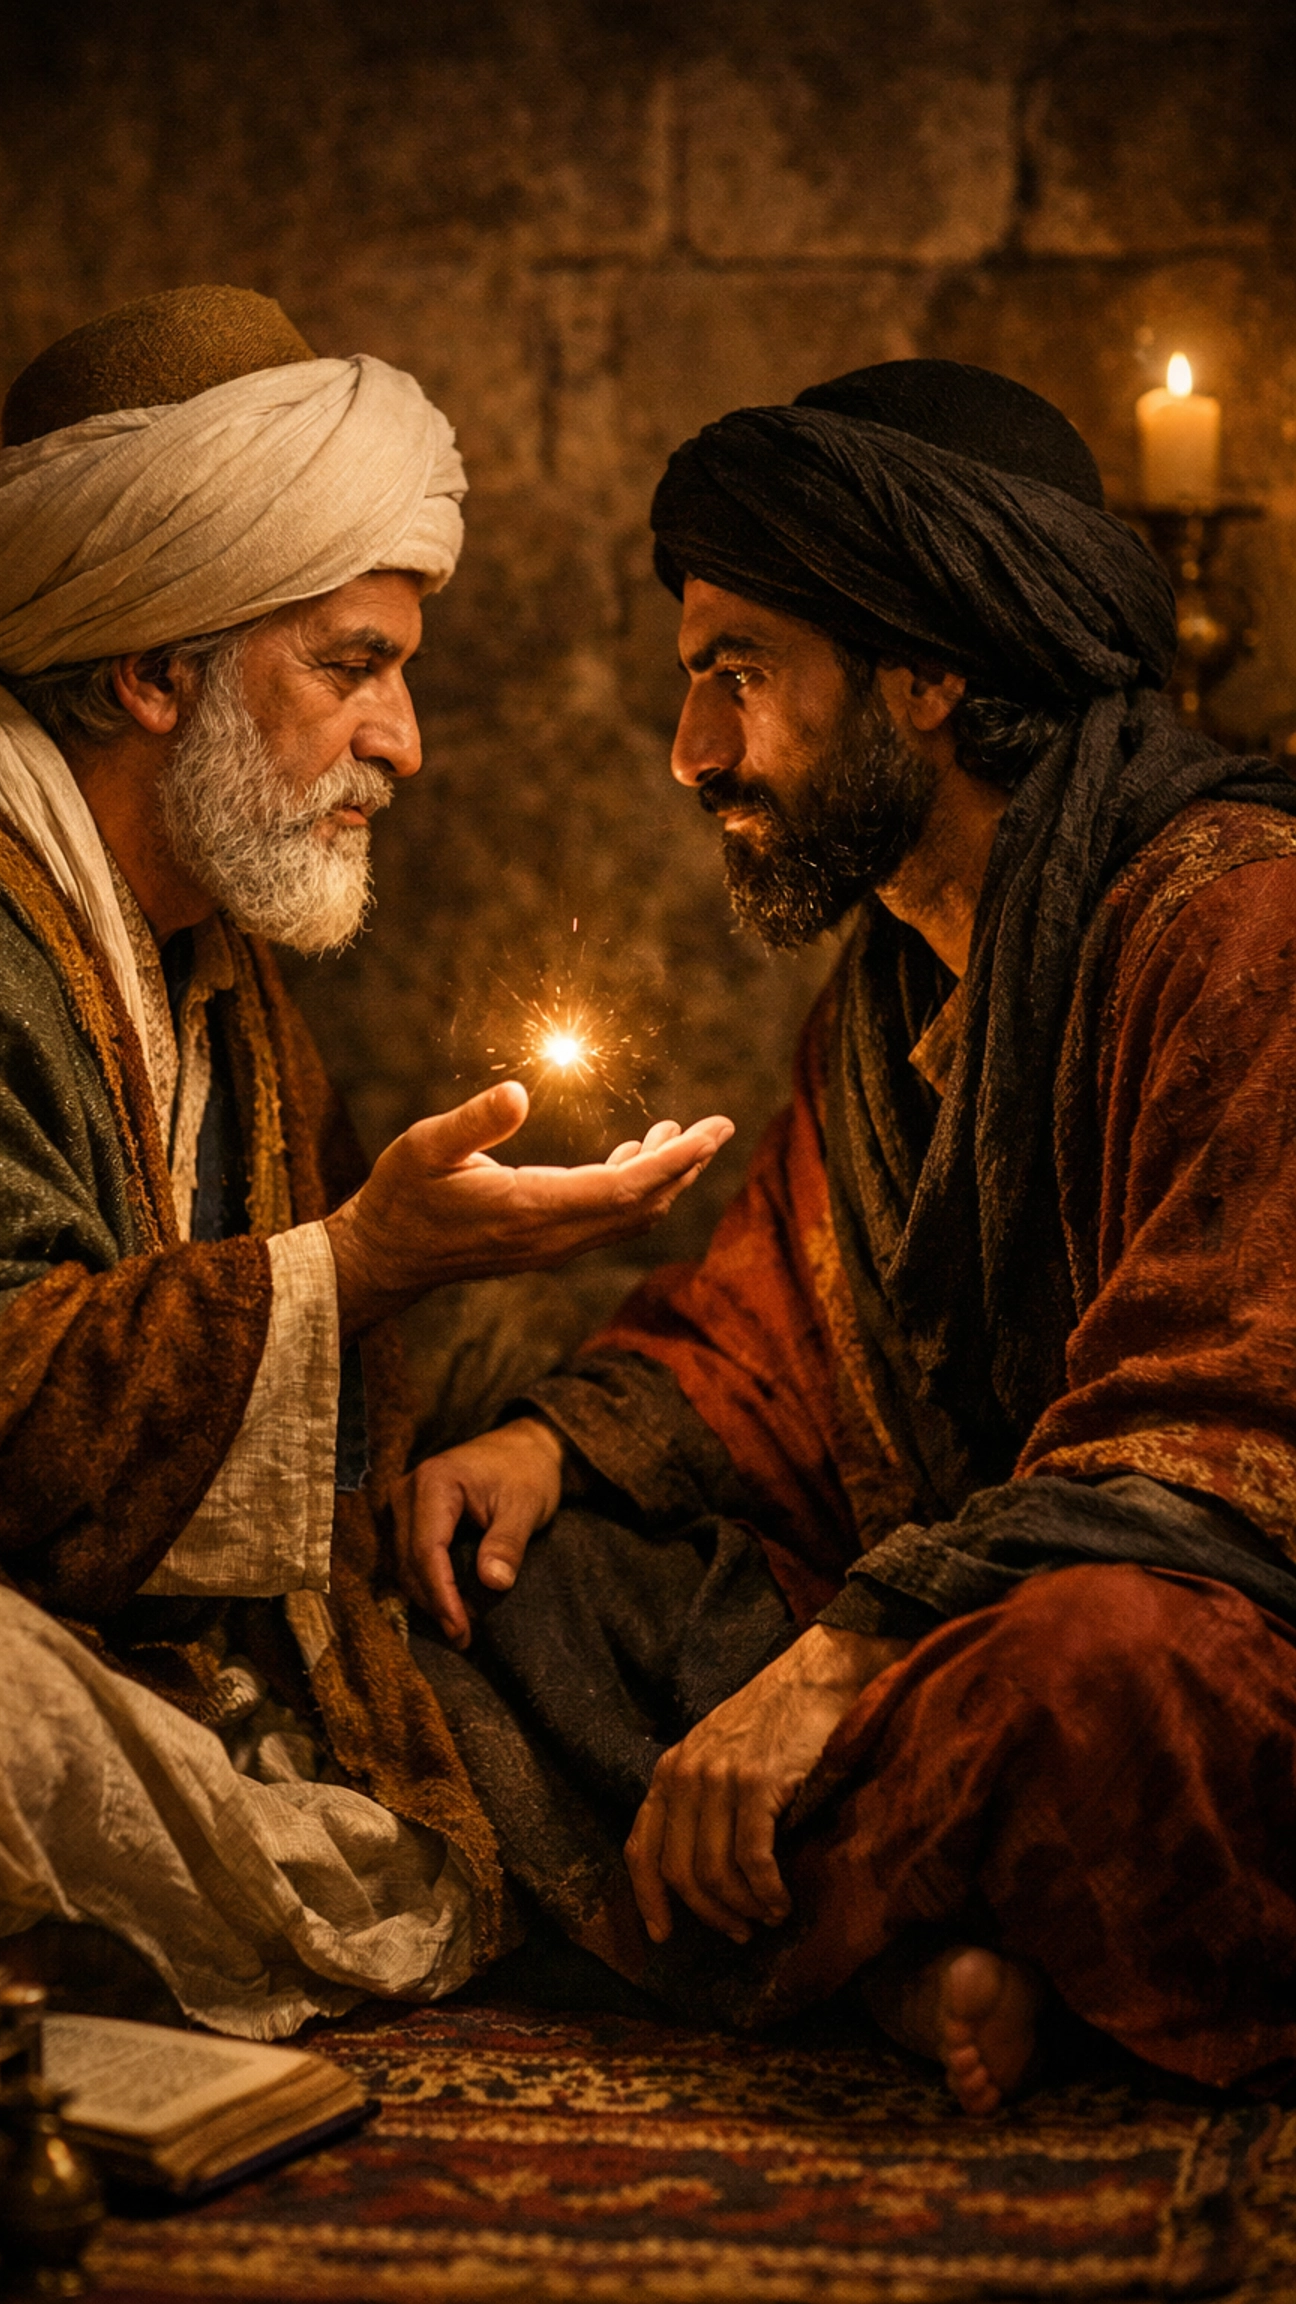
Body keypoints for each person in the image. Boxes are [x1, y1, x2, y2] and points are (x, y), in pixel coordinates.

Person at [0, 285, 731, 2038]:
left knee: (619, 1451)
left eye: (398, 672)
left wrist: (535, 1394)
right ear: (151, 673)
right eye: (351, 668)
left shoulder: (205, 934)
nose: (403, 741)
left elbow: (336, 1365)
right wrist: (356, 1267)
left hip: (180, 1626)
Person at [397, 358, 1296, 2113]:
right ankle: (901, 1942)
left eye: (738, 675)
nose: (693, 754)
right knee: (516, 1569)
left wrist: (845, 1658)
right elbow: (771, 1350)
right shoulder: (892, 989)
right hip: (960, 1598)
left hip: (1183, 1628)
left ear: (928, 670)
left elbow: (1223, 1448)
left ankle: (828, 1923)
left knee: (1091, 1673)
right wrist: (547, 1445)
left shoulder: (1240, 922)